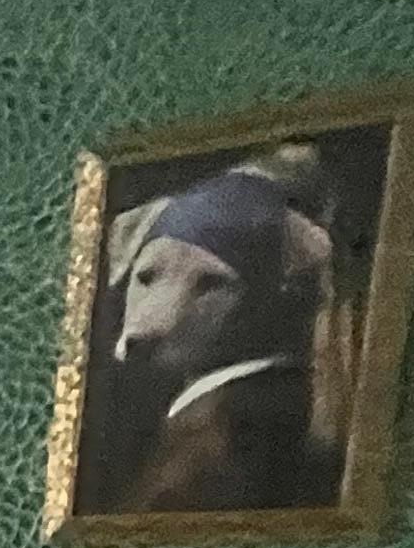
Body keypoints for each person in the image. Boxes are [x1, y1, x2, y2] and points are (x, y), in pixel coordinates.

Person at [101, 154, 350, 514]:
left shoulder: (234, 429)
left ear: (270, 296)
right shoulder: (193, 408)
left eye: (211, 283)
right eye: (146, 277)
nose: (150, 324)